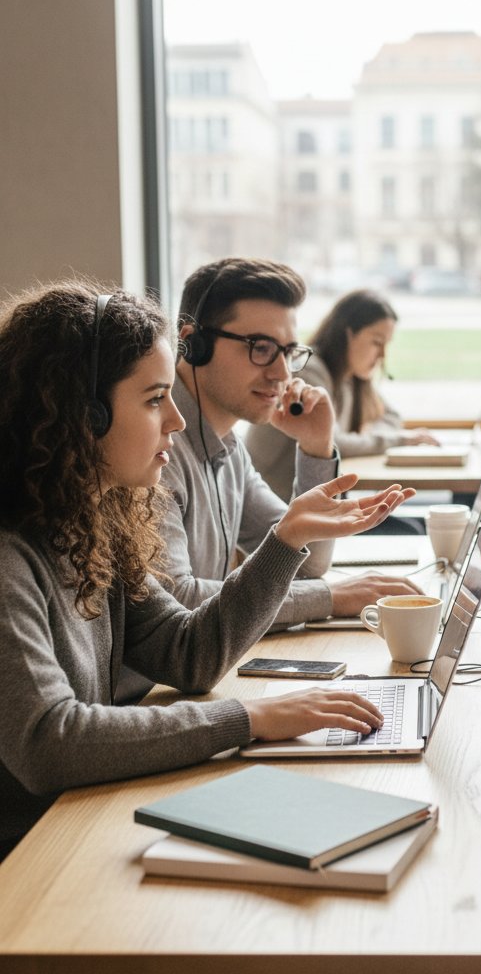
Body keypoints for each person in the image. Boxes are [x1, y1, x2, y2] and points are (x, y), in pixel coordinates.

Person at [0, 281, 412, 858]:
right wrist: (248, 717)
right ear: (83, 415)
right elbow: (50, 742)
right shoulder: (11, 556)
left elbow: (190, 652)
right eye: (152, 399)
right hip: (29, 855)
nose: (173, 420)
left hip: (79, 816)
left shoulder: (95, 523)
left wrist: (286, 540)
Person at [126, 259, 421, 701]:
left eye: (288, 352)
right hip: (149, 699)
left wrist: (316, 448)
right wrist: (331, 598)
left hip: (187, 689)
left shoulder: (229, 448)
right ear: (195, 344)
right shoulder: (151, 454)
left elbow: (304, 564)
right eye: (261, 347)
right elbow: (180, 598)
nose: (283, 374)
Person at [246, 289, 439, 500]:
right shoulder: (310, 371)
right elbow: (334, 443)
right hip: (276, 509)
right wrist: (402, 441)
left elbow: (391, 417)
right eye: (377, 342)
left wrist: (366, 438)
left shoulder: (351, 379)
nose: (383, 355)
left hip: (311, 506)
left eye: (386, 345)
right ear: (348, 334)